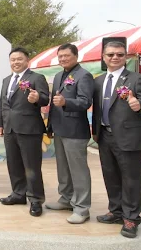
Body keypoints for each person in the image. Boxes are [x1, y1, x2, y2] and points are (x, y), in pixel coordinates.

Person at [92, 41, 141, 238]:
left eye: (119, 54)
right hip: (104, 136)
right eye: (110, 54)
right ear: (104, 57)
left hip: (129, 137)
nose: (115, 58)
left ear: (125, 57)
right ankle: (116, 211)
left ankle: (131, 217)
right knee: (111, 176)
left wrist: (139, 104)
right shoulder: (98, 81)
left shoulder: (136, 79)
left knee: (131, 179)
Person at [0, 47, 49, 217]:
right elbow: (3, 104)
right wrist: (0, 123)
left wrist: (37, 99)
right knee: (13, 163)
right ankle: (18, 194)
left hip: (29, 128)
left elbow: (45, 98)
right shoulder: (6, 80)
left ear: (27, 60)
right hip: (10, 128)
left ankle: (35, 199)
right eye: (13, 60)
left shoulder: (36, 78)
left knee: (31, 166)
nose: (16, 62)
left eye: (19, 59)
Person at [45, 43, 95, 224]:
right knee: (63, 169)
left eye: (66, 55)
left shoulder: (84, 75)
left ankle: (82, 208)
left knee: (78, 170)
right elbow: (53, 103)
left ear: (76, 56)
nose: (63, 59)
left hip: (75, 131)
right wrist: (50, 126)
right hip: (59, 129)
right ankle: (66, 199)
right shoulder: (59, 76)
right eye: (60, 56)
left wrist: (67, 102)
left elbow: (85, 102)